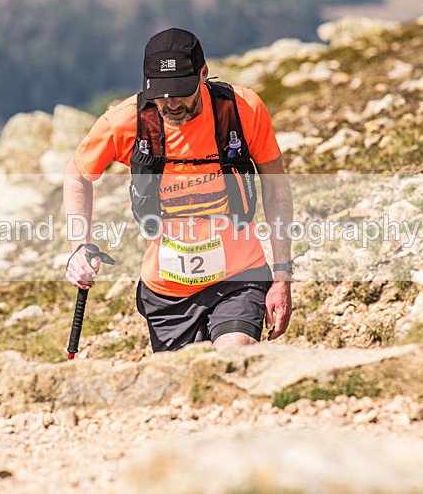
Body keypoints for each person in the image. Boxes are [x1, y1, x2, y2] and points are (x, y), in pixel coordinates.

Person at [64, 27, 293, 352]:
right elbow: (77, 174)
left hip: (239, 278)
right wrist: (79, 245)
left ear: (203, 74)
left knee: (232, 360)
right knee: (185, 388)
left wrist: (282, 276)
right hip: (166, 294)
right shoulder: (126, 122)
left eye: (181, 91)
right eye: (161, 94)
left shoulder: (242, 109)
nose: (171, 104)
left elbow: (276, 186)